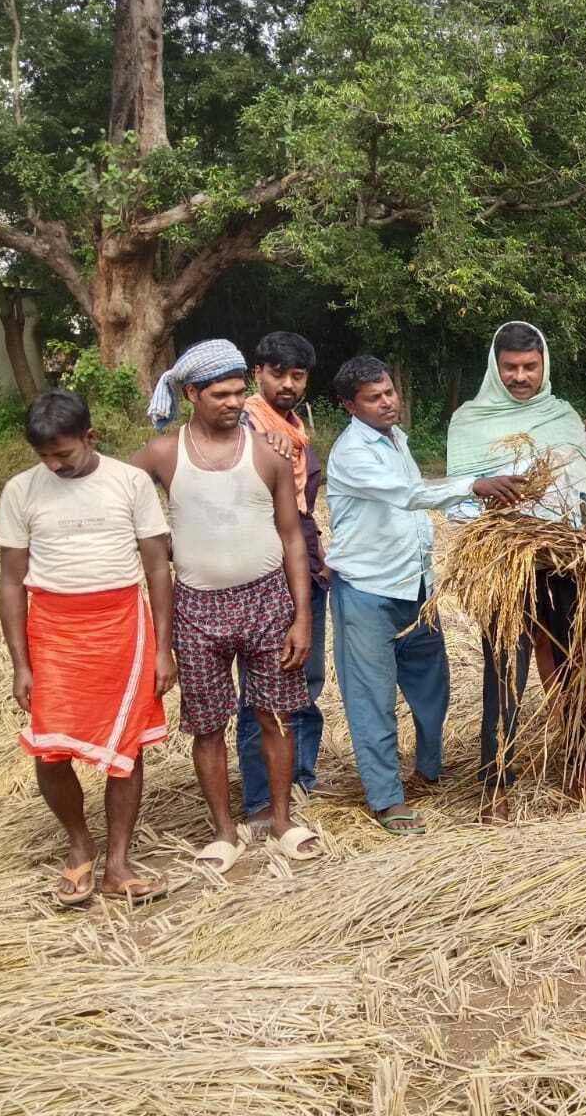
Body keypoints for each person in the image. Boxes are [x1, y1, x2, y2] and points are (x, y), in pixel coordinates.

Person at [134, 339, 317, 872]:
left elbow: (292, 540)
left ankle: (281, 820)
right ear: (191, 393)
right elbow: (116, 489)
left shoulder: (268, 454)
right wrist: (157, 541)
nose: (235, 402)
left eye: (239, 392)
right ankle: (223, 831)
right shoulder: (164, 454)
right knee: (208, 725)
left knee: (276, 715)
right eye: (221, 393)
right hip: (194, 606)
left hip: (265, 601)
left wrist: (301, 617)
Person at [327, 355, 528, 835]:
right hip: (367, 590)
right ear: (348, 405)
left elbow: (425, 498)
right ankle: (386, 797)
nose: (387, 402)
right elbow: (409, 493)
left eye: (390, 392)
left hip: (415, 588)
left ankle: (429, 769)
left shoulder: (397, 439)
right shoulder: (352, 452)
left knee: (432, 686)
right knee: (371, 697)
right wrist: (475, 485)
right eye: (374, 398)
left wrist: (489, 503)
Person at [0, 391, 174, 905]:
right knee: (50, 750)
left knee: (127, 748)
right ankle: (80, 848)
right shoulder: (21, 491)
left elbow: (158, 568)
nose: (54, 465)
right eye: (45, 456)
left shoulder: (131, 481)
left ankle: (118, 864)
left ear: (90, 437)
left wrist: (163, 649)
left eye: (64, 454)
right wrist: (20, 663)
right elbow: (11, 582)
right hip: (52, 632)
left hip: (123, 626)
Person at [447, 322, 586, 817]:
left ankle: (583, 773)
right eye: (511, 368)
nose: (521, 376)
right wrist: (491, 500)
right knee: (504, 671)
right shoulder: (470, 420)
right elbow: (457, 501)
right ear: (495, 370)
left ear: (544, 365)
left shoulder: (561, 416)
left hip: (566, 561)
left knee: (576, 667)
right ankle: (495, 783)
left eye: (529, 366)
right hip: (507, 563)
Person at [236, 331, 329, 836]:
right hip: (265, 575)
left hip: (307, 571)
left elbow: (304, 511)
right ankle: (259, 801)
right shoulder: (245, 428)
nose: (287, 384)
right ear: (259, 374)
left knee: (305, 684)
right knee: (262, 694)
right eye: (278, 374)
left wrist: (320, 559)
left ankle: (300, 782)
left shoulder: (294, 428)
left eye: (297, 376)